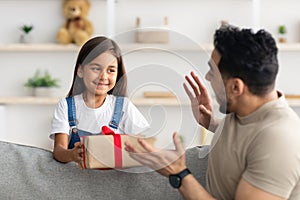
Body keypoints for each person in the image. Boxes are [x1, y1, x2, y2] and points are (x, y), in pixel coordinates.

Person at [125, 25, 300, 200]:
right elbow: (246, 141)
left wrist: (179, 175)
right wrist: (210, 122)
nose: (208, 77)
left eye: (212, 71)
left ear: (235, 87)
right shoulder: (247, 110)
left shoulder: (279, 139)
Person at [50, 36, 149, 167]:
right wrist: (72, 154)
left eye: (111, 70)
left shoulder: (124, 107)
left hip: (112, 181)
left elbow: (143, 146)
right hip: (76, 181)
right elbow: (58, 151)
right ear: (80, 70)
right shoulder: (66, 106)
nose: (103, 76)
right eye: (96, 68)